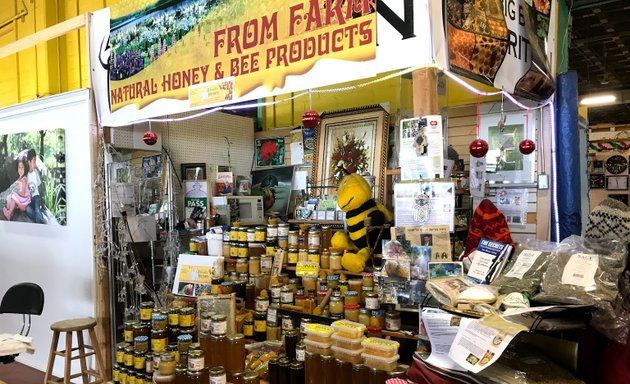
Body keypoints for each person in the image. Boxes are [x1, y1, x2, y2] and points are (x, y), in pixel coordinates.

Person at [2, 156, 31, 221]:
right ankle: (11, 213)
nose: (20, 170)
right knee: (11, 196)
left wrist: (17, 191)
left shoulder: (24, 179)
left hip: (25, 202)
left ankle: (9, 213)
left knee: (14, 196)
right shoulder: (20, 178)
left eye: (22, 168)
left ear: (25, 168)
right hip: (22, 200)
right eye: (19, 167)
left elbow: (23, 194)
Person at [25, 149, 44, 224]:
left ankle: (38, 217)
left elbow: (39, 186)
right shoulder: (26, 175)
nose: (35, 163)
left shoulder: (36, 172)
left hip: (36, 197)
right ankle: (39, 217)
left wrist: (41, 201)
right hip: (29, 199)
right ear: (29, 162)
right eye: (34, 161)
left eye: (35, 161)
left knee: (36, 208)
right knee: (27, 209)